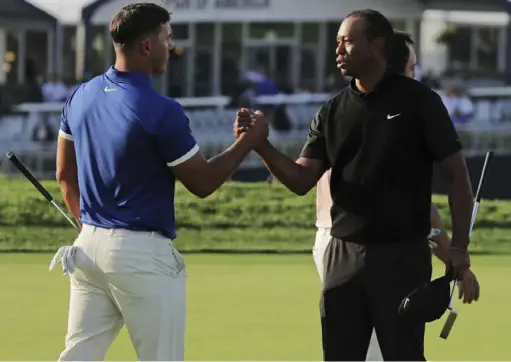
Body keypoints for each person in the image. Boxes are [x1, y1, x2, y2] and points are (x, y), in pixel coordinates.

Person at [235, 10, 474, 361]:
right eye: (337, 43)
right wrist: (260, 145)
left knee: (403, 356)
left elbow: (457, 177)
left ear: (376, 45)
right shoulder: (331, 111)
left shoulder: (419, 101)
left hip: (401, 256)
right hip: (342, 257)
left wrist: (459, 248)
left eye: (347, 41)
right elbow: (302, 179)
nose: (339, 50)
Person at [54, 3, 268, 361]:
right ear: (147, 46)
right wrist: (249, 141)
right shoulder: (161, 109)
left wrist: (86, 225)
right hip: (140, 255)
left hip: (88, 246)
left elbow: (64, 176)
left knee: (77, 356)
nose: (171, 46)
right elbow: (202, 182)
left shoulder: (80, 96)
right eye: (168, 38)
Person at [313, 30, 480, 361]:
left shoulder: (362, 109)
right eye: (411, 68)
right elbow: (413, 207)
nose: (415, 76)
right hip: (359, 249)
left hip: (339, 244)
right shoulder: (369, 112)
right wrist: (453, 255)